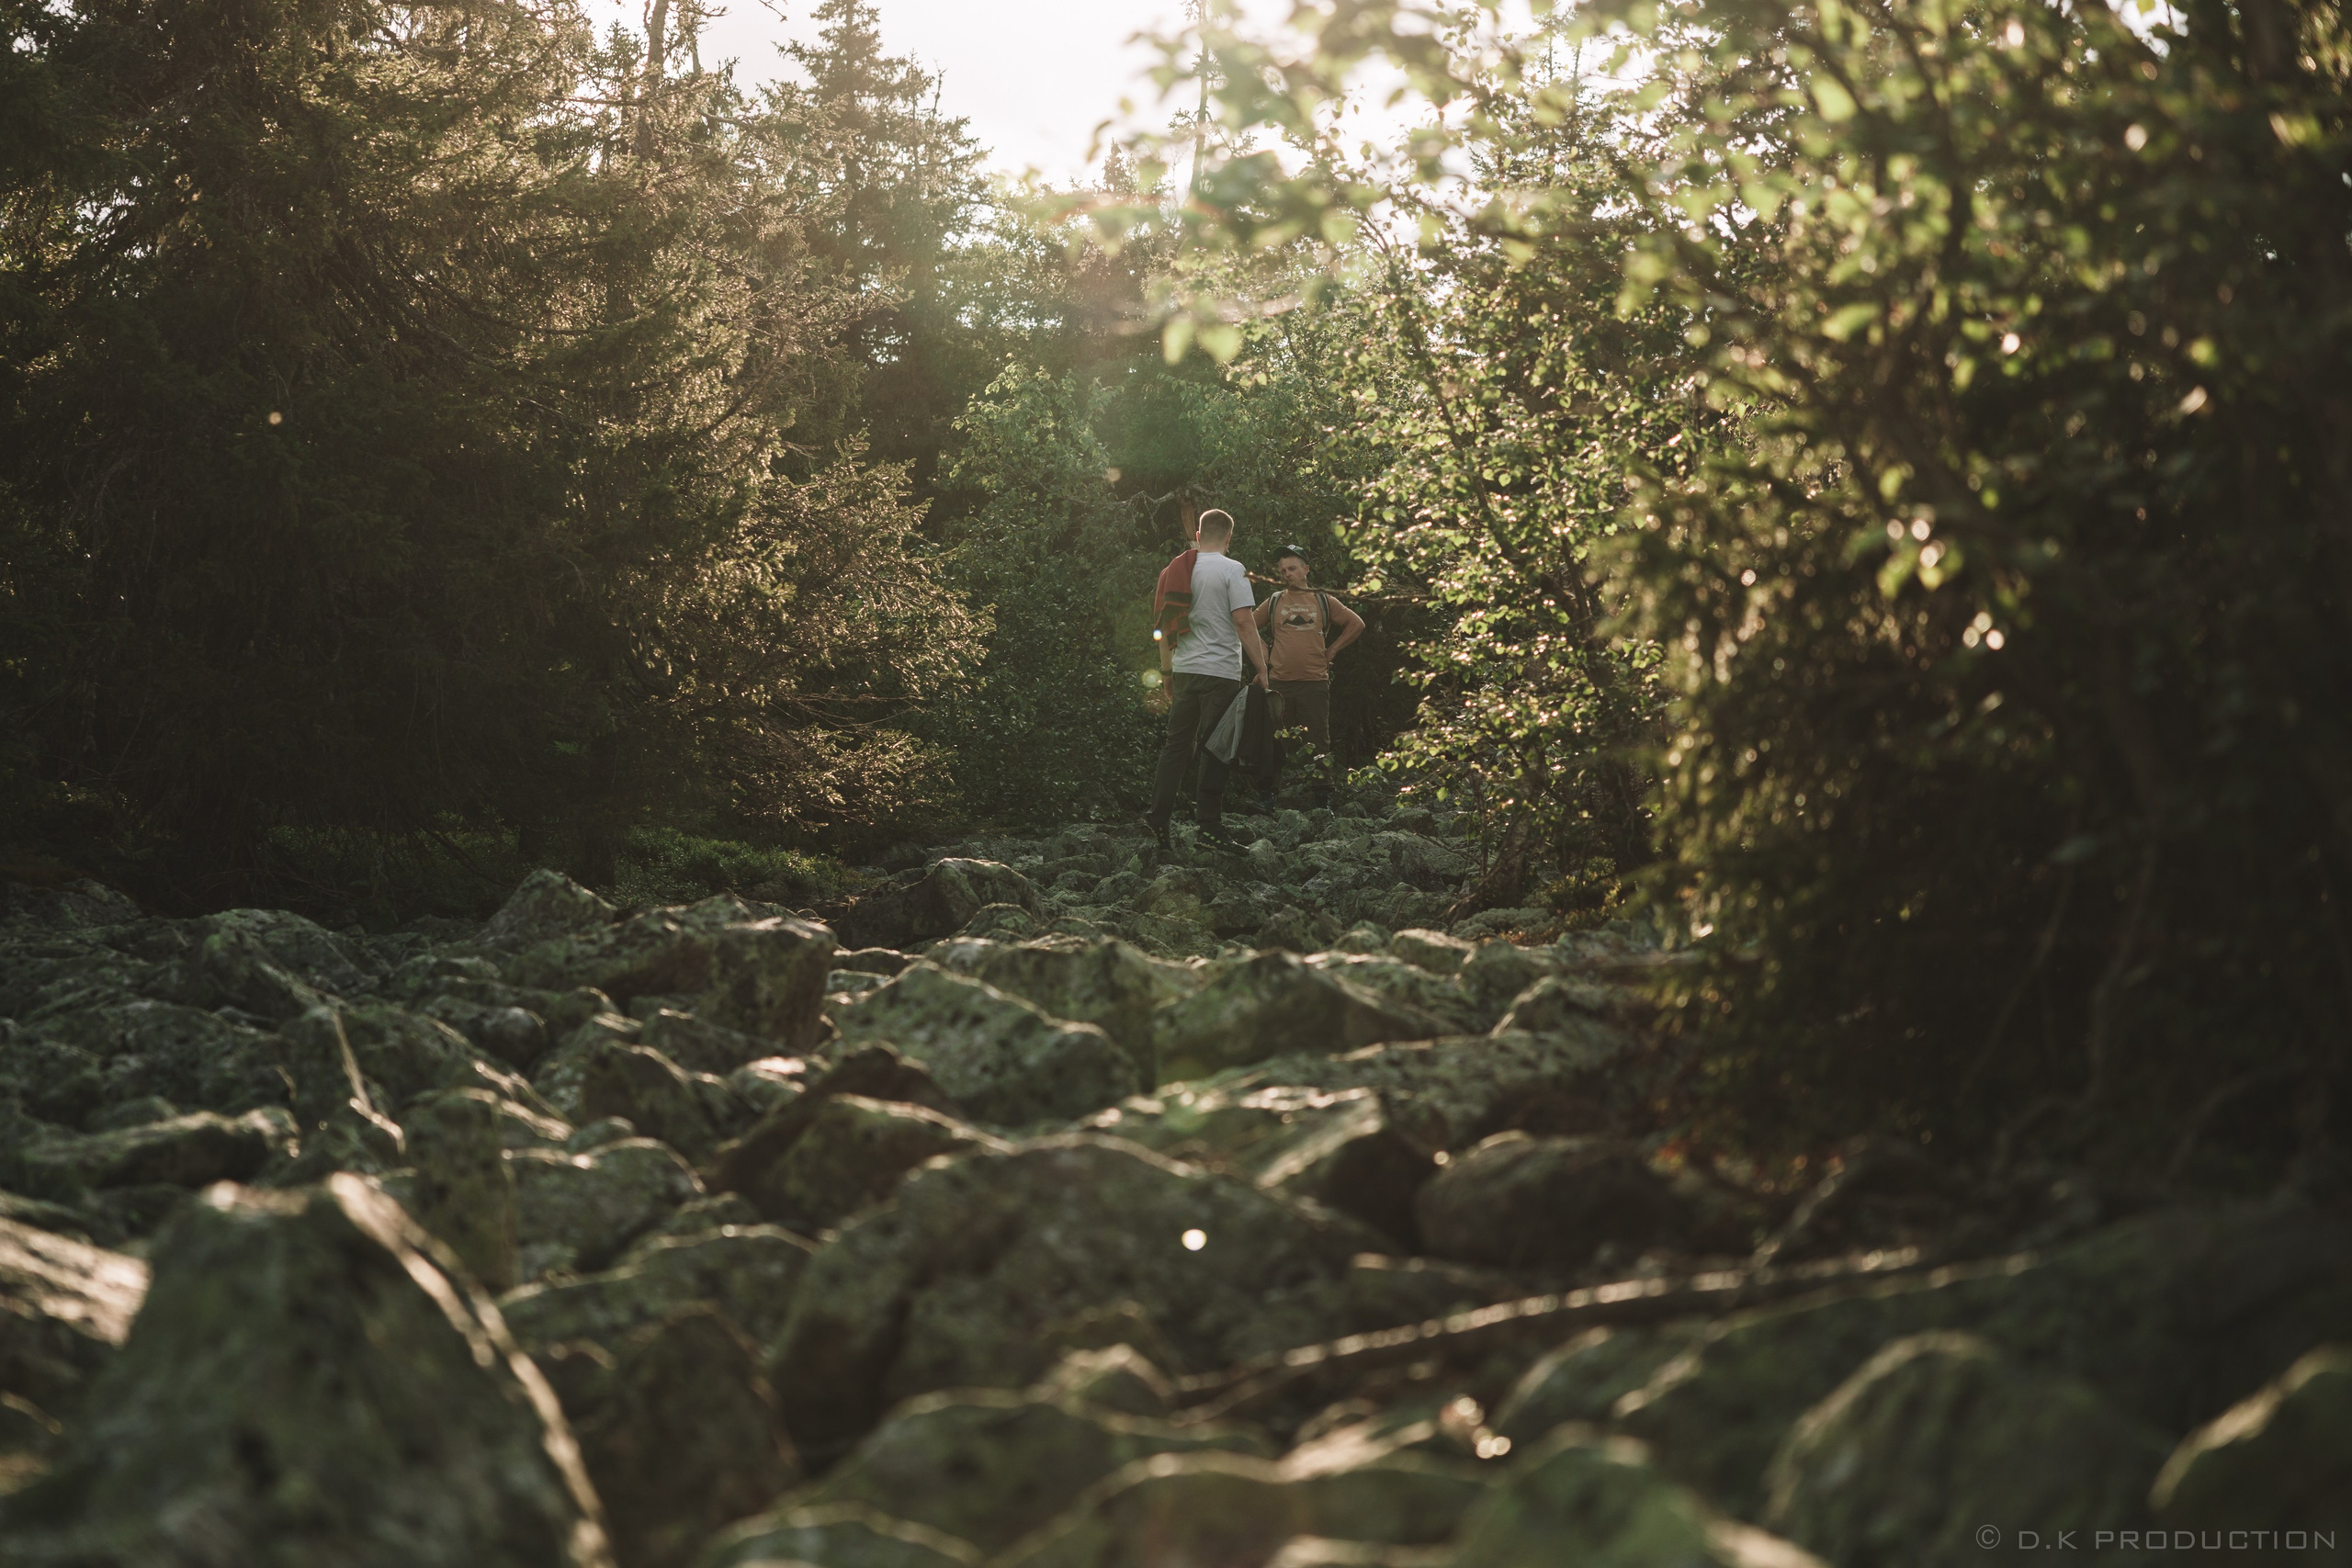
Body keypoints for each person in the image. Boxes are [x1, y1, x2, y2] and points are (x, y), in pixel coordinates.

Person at [1147, 509, 1267, 853]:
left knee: (1176, 747)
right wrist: (1262, 668)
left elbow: (1164, 629)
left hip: (1185, 670)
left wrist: (1167, 675)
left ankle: (1158, 817)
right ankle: (1209, 829)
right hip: (1220, 673)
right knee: (1216, 748)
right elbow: (1244, 623)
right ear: (1229, 538)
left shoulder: (1174, 570)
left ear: (1198, 536)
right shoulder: (1233, 570)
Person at [1251, 544, 1363, 810]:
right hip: (1279, 683)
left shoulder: (1323, 600)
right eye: (1282, 570)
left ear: (1306, 570)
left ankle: (1322, 797)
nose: (1287, 574)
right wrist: (1264, 652)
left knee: (1318, 741)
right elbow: (1246, 624)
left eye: (1292, 568)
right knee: (1273, 739)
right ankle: (1267, 796)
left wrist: (1333, 650)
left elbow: (1356, 623)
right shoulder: (1275, 600)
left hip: (1314, 682)